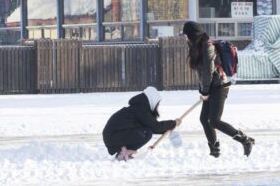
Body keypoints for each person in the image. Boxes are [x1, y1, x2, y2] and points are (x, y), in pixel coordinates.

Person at [182, 21, 255, 158]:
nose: (185, 38)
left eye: (187, 35)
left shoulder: (207, 47)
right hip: (211, 86)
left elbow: (208, 71)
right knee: (204, 119)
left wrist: (204, 91)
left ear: (192, 34)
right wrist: (203, 90)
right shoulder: (196, 46)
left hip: (220, 86)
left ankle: (246, 140)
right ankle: (214, 149)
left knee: (214, 120)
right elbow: (203, 73)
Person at [103, 86, 182, 161]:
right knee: (146, 133)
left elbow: (152, 126)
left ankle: (124, 151)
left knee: (146, 131)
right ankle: (124, 153)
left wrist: (169, 127)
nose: (157, 107)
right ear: (152, 100)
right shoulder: (140, 109)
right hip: (113, 136)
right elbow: (155, 127)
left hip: (113, 135)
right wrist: (173, 123)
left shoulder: (139, 107)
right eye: (157, 104)